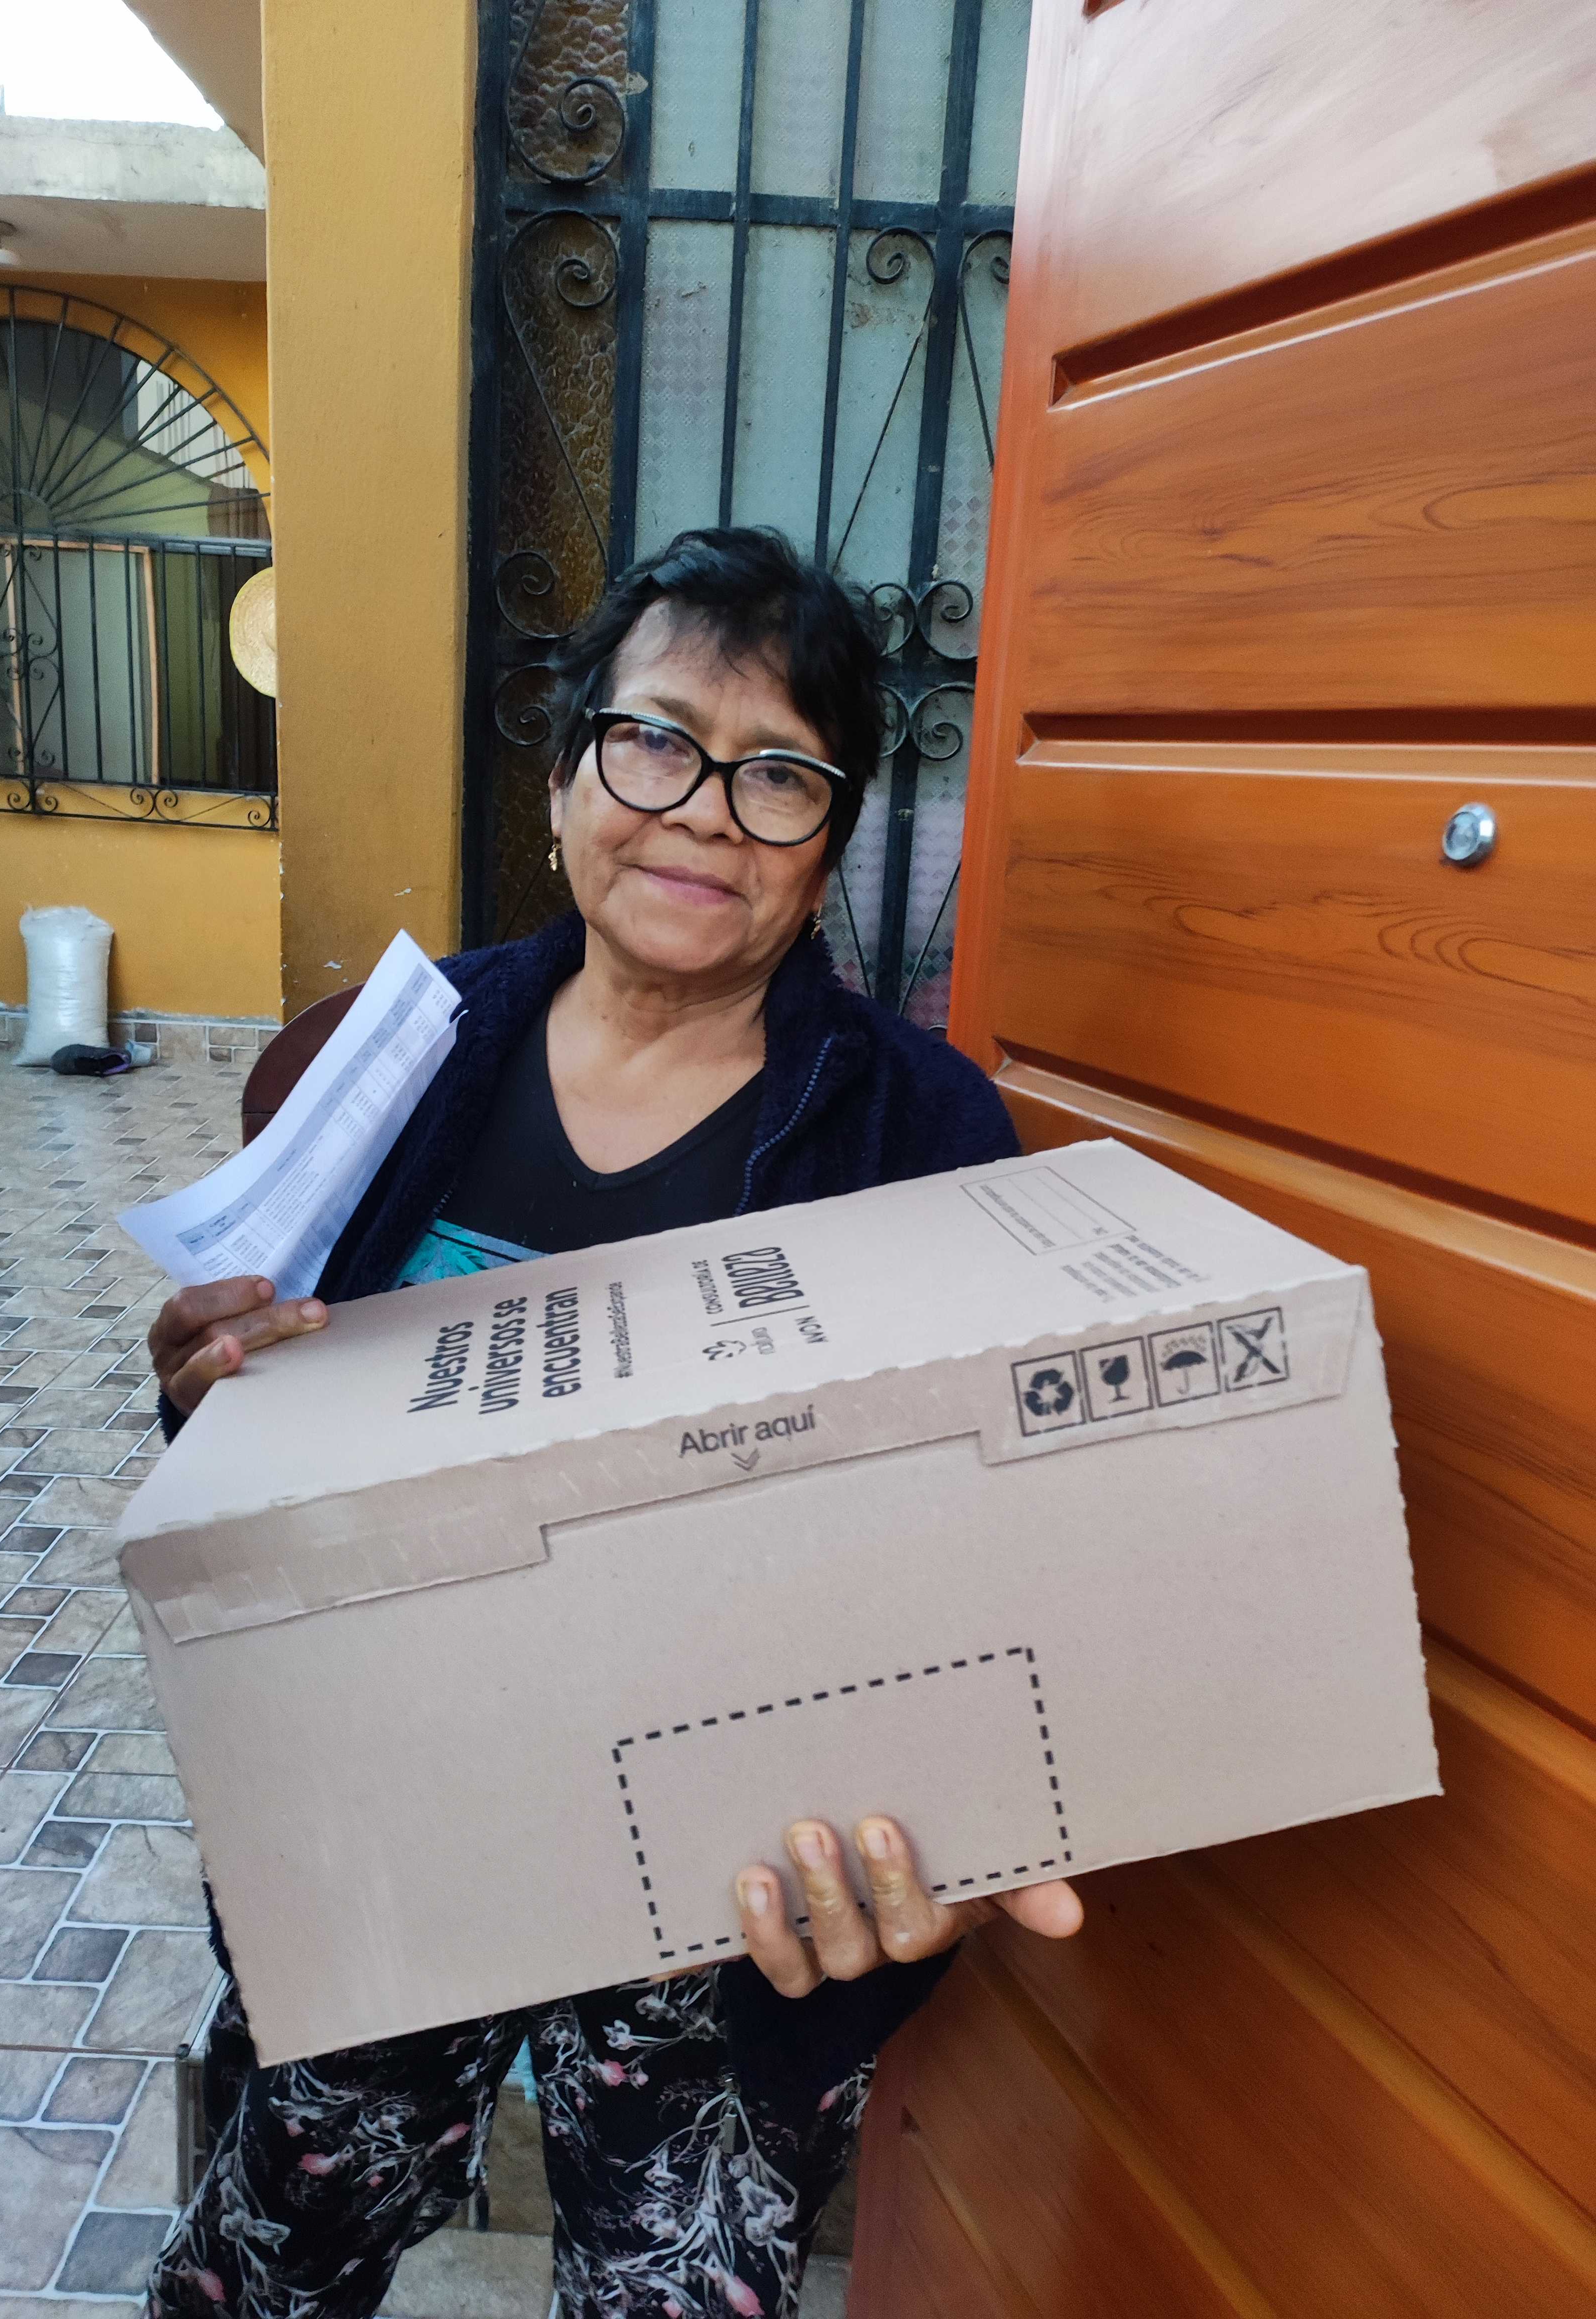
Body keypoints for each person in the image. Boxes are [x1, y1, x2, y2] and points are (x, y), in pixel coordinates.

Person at [144, 528, 1082, 2319]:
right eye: (656, 742)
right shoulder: (399, 1053)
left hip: (720, 1891)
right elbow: (241, 1457)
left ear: (831, 837)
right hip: (398, 1817)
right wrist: (202, 1385)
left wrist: (959, 1821)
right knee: (266, 2263)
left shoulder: (922, 1137)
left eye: (779, 774)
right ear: (570, 771)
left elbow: (993, 1539)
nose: (704, 815)